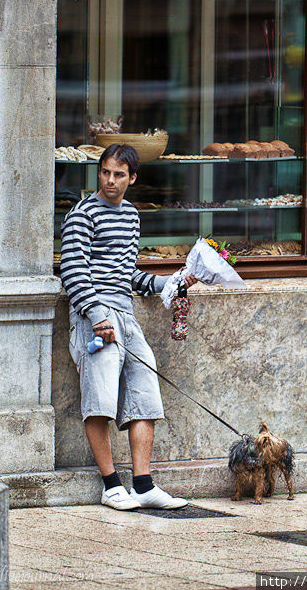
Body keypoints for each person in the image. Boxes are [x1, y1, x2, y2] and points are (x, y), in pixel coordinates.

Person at [61, 143, 197, 510]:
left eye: (119, 174)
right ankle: (110, 486)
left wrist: (171, 282)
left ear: (132, 178)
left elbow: (127, 274)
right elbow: (72, 269)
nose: (110, 180)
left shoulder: (132, 216)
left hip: (126, 314)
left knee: (145, 395)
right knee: (100, 400)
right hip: (96, 316)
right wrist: (96, 315)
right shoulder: (82, 214)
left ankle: (143, 485)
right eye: (105, 172)